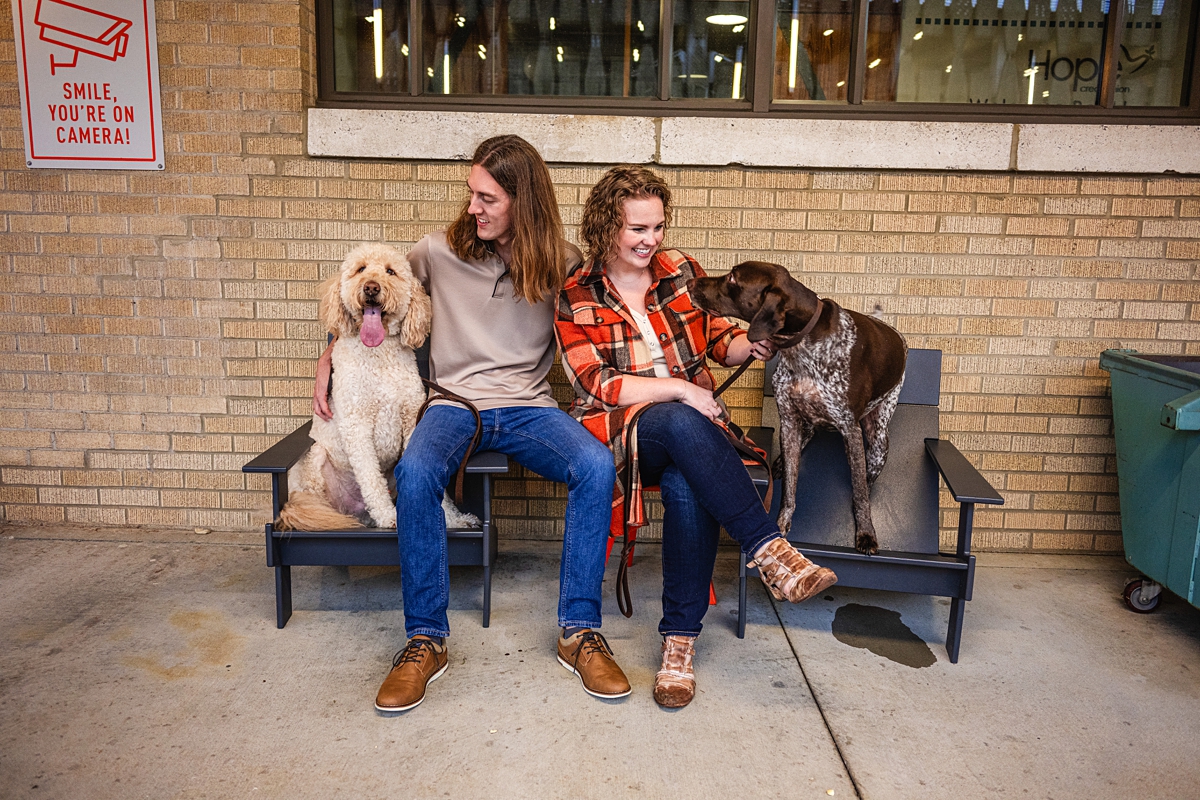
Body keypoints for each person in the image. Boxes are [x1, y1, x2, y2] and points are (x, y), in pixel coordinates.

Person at [313, 136, 630, 712]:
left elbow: (617, 306)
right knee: (415, 473)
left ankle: (579, 631)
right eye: (471, 194)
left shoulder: (559, 261)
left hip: (530, 406)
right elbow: (370, 290)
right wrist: (330, 353)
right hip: (453, 402)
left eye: (487, 198)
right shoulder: (435, 251)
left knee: (594, 464)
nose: (473, 208)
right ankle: (425, 639)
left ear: (522, 201)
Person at [555, 165, 838, 709]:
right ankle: (769, 549)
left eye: (658, 226)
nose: (651, 239)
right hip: (621, 436)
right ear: (605, 225)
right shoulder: (576, 293)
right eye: (637, 228)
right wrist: (681, 391)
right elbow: (598, 382)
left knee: (688, 484)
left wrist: (748, 347)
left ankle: (678, 645)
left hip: (693, 439)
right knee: (678, 415)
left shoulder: (681, 271)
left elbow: (717, 339)